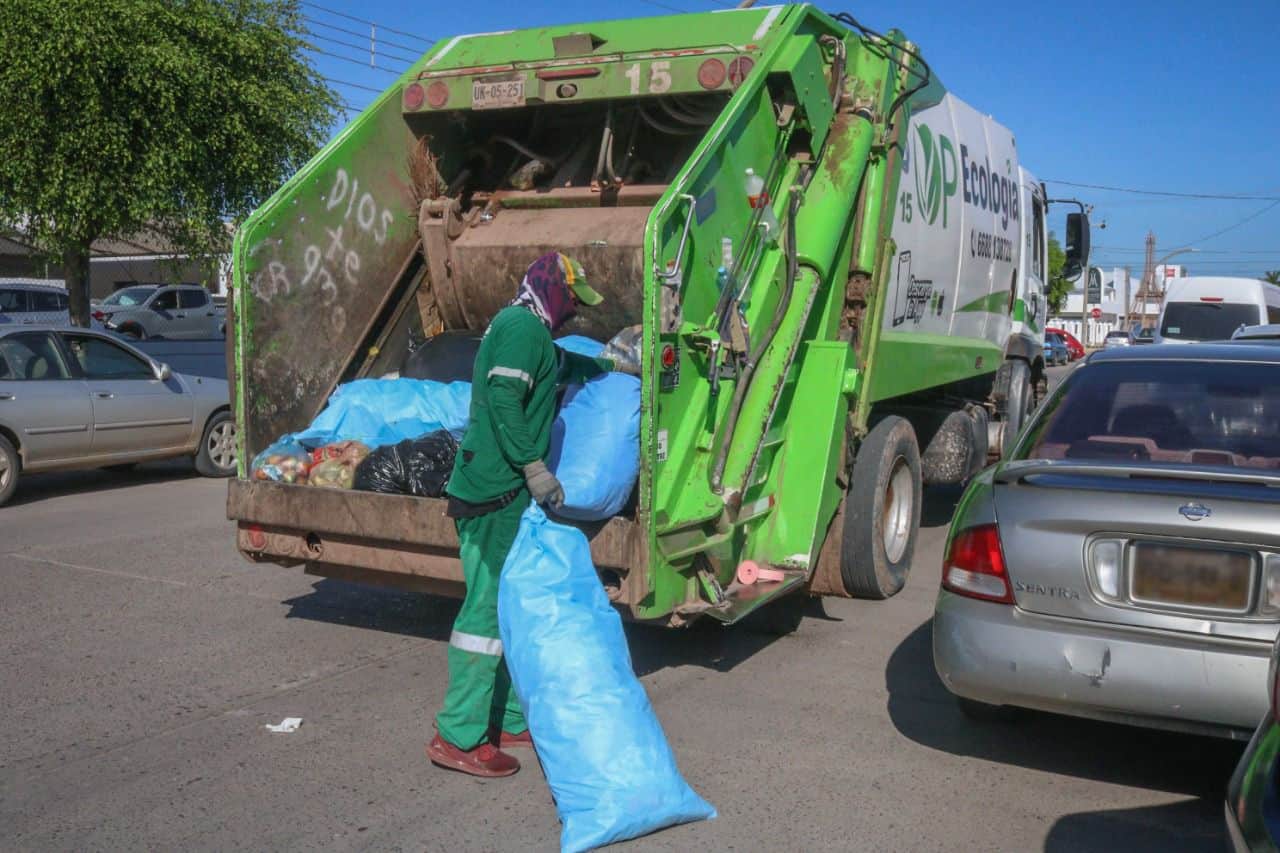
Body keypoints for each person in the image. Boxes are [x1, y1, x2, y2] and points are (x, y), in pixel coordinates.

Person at [427, 251, 632, 777]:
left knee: (513, 606)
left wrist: (613, 366)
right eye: (572, 301)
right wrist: (535, 467)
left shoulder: (535, 332)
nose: (573, 313)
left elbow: (566, 366)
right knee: (486, 614)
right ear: (553, 290)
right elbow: (502, 399)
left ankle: (509, 717)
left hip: (507, 492)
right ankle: (458, 735)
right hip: (493, 490)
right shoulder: (520, 328)